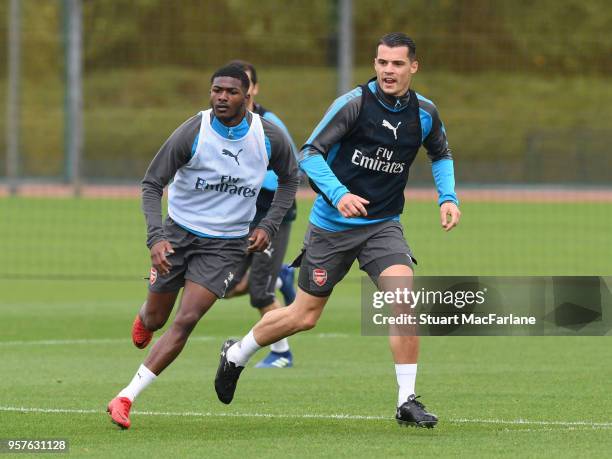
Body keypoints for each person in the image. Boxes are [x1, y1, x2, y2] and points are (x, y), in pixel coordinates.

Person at [214, 33, 461, 429]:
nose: (388, 71)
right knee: (304, 316)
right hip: (332, 227)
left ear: (413, 67)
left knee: (404, 299)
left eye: (397, 64)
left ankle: (406, 401)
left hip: (382, 225)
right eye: (382, 63)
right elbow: (308, 153)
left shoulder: (425, 113)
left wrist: (447, 197)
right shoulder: (353, 104)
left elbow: (441, 153)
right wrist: (339, 194)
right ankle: (236, 354)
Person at [106, 65, 299, 430]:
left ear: (248, 96)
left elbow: (291, 179)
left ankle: (125, 397)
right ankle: (145, 315)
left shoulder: (268, 136)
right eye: (216, 90)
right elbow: (151, 184)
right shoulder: (193, 131)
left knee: (187, 319)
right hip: (178, 234)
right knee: (156, 319)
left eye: (230, 91)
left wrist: (268, 225)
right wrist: (156, 238)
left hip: (226, 246)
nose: (221, 97)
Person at [223, 60, 298, 369]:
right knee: (222, 285)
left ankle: (282, 353)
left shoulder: (269, 123)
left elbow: (293, 170)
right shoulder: (220, 124)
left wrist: (248, 176)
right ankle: (280, 276)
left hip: (272, 214)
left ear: (253, 88)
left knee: (258, 292)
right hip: (240, 217)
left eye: (244, 84)